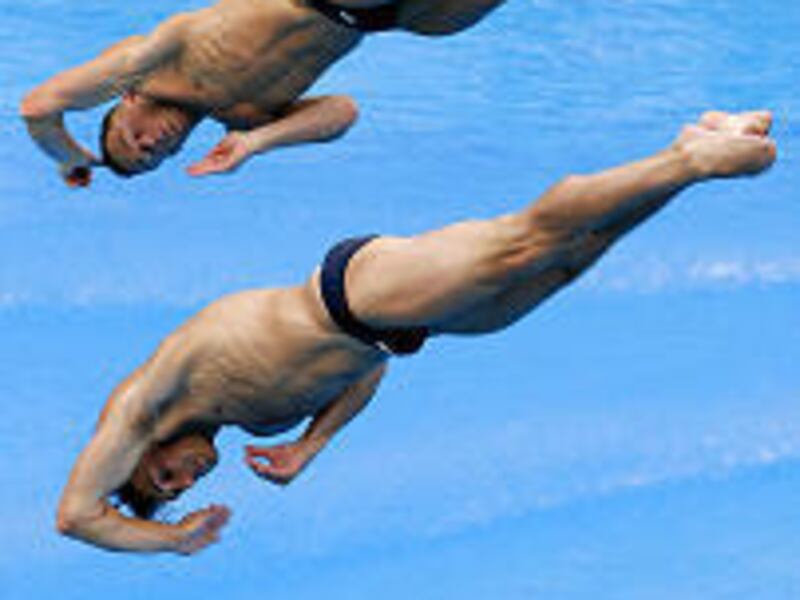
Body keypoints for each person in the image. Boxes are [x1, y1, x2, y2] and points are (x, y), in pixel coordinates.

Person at [56, 111, 777, 554]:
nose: (188, 476)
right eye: (180, 488)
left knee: (525, 242)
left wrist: (175, 543)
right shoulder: (251, 416)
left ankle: (688, 159)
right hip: (399, 329)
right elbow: (363, 370)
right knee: (569, 265)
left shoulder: (152, 400)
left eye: (166, 474)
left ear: (142, 447)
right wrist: (313, 443)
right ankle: (693, 154)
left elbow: (76, 517)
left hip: (353, 291)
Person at [20, 0, 506, 187]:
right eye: (152, 159)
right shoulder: (247, 119)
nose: (149, 146)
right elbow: (342, 112)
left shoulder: (152, 64)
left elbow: (39, 107)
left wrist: (73, 160)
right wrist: (255, 144)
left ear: (127, 102)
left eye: (132, 139)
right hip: (396, 19)